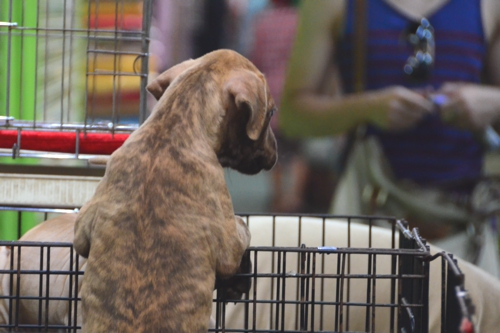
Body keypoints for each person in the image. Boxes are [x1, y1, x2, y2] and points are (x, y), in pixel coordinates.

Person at [279, 0, 500, 277]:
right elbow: (292, 117)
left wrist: (492, 103)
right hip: (370, 226)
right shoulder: (333, 5)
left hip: (466, 231)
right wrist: (368, 108)